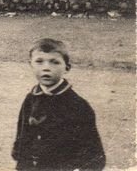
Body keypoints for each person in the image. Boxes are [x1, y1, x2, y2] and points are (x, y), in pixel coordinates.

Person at [11, 38, 105, 171]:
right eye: (39, 62)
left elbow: (94, 156)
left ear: (66, 68)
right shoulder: (30, 99)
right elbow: (22, 136)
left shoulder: (78, 105)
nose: (46, 68)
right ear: (30, 64)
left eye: (54, 62)